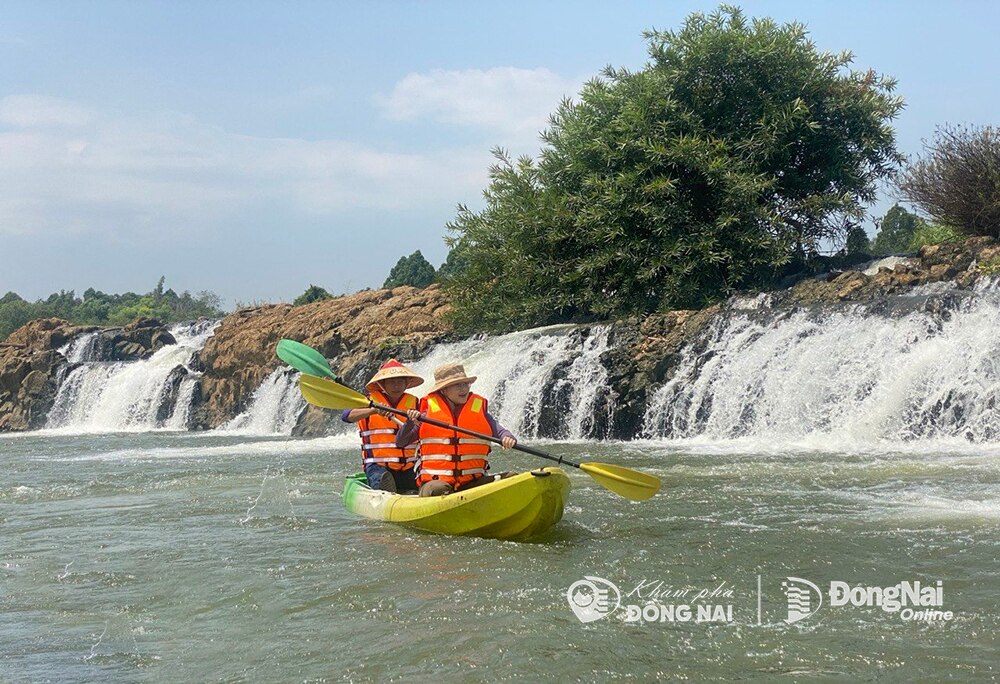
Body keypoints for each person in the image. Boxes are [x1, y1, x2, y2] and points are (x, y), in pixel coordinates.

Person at [397, 362, 516, 497]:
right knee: (439, 490)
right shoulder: (426, 413)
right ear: (444, 390)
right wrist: (409, 423)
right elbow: (401, 442)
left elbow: (500, 431)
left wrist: (507, 438)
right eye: (458, 385)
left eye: (466, 384)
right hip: (436, 483)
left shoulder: (478, 409)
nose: (463, 389)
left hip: (471, 482)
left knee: (511, 478)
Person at [342, 359, 423, 493]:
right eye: (391, 382)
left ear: (407, 383)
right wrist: (373, 410)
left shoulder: (416, 403)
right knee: (382, 479)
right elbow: (346, 416)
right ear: (382, 384)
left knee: (419, 482)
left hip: (410, 465)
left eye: (400, 382)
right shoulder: (368, 402)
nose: (396, 386)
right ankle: (384, 490)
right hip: (378, 466)